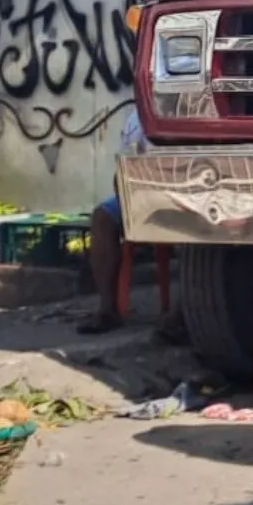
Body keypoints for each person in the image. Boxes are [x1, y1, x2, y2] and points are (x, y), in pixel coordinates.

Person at [82, 106, 151, 335]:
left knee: (191, 225)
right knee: (102, 217)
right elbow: (121, 168)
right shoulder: (134, 118)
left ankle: (183, 315)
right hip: (137, 193)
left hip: (180, 192)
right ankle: (107, 310)